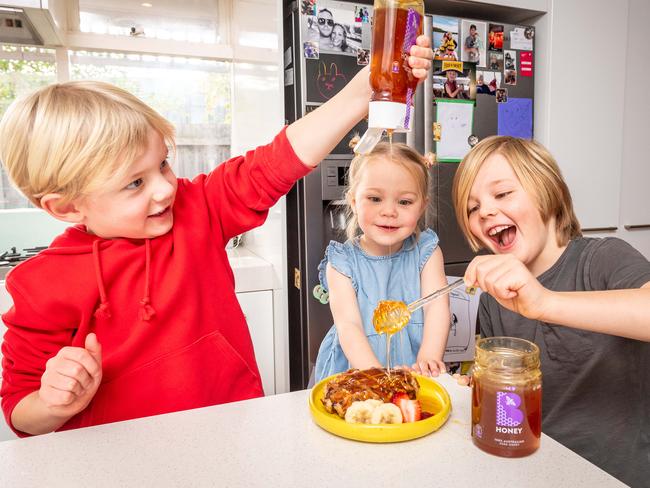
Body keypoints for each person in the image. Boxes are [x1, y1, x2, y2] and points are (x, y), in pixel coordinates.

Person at [0, 35, 435, 437]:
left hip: (235, 435)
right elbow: (20, 408)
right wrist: (54, 404)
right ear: (66, 206)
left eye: (163, 164)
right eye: (135, 184)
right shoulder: (41, 284)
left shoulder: (195, 210)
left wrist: (364, 91)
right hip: (125, 464)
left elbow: (273, 163)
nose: (165, 188)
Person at [451, 136, 650, 488]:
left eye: (502, 194)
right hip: (535, 471)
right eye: (472, 208)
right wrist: (473, 389)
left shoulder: (602, 259)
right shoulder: (493, 300)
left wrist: (544, 303)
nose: (485, 212)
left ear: (548, 191)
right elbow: (512, 400)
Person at [314, 143, 451, 382]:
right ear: (354, 201)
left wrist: (429, 355)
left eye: (405, 202)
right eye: (375, 198)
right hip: (358, 370)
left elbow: (437, 308)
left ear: (422, 207)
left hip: (413, 369)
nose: (389, 211)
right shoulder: (341, 263)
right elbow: (349, 327)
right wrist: (377, 378)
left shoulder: (427, 252)